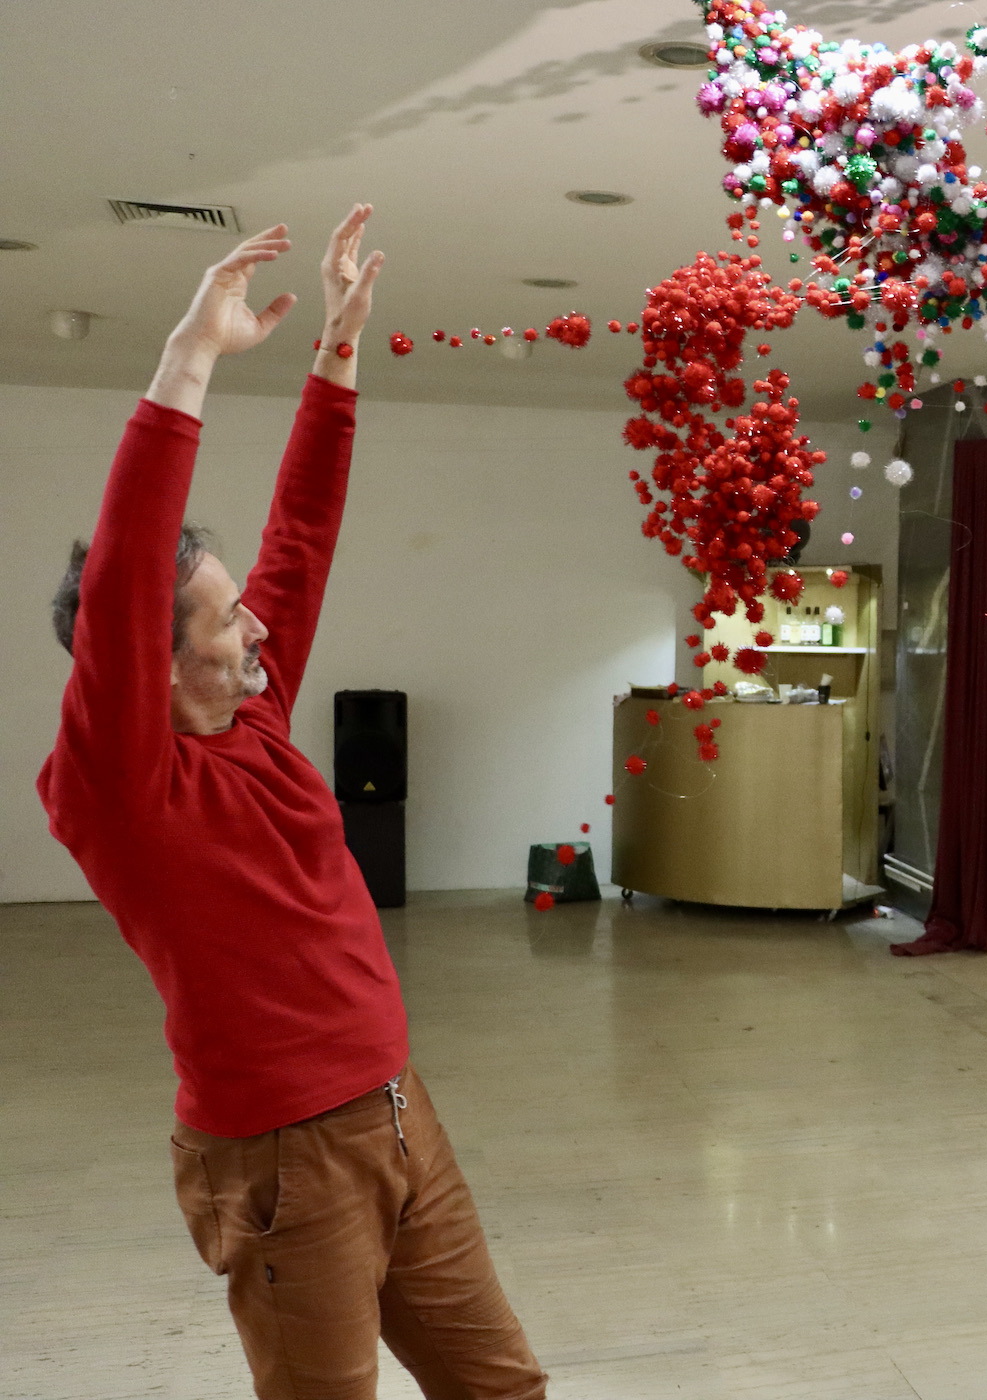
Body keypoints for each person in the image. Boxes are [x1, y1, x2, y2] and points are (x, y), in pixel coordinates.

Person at [40, 210, 548, 1400]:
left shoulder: (255, 721)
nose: (258, 622)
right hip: (280, 1158)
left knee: (503, 1388)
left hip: (398, 1110)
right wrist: (189, 359)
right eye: (227, 618)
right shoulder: (121, 785)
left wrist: (337, 352)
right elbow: (128, 565)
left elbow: (303, 538)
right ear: (153, 657)